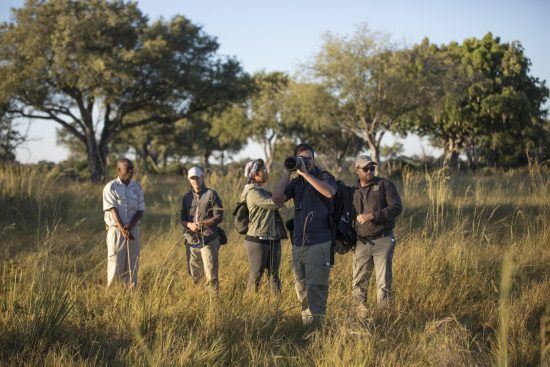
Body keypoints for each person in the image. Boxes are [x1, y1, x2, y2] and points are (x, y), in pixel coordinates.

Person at [272, 143, 337, 326]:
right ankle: (307, 325)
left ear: (314, 159)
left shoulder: (323, 176)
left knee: (316, 287)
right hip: (299, 242)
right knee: (300, 285)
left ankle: (317, 328)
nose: (305, 161)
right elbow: (276, 199)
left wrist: (306, 174)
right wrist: (287, 172)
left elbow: (329, 192)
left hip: (320, 241)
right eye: (302, 158)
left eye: (308, 158)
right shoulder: (295, 183)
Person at [352, 155, 403, 316]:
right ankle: (359, 315)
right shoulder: (352, 191)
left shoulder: (384, 184)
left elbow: (396, 207)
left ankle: (385, 316)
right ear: (357, 170)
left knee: (383, 283)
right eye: (365, 169)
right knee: (359, 281)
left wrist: (373, 216)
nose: (369, 171)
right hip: (361, 241)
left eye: (372, 168)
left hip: (383, 239)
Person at [241, 158, 287, 294]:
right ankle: (250, 306)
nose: (266, 173)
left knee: (274, 275)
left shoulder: (263, 191)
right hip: (257, 239)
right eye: (263, 171)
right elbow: (274, 203)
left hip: (273, 237)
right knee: (256, 274)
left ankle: (277, 306)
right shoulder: (253, 193)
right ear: (254, 175)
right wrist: (286, 182)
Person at [102, 158, 145, 288]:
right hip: (116, 230)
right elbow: (112, 210)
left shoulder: (136, 187)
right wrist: (123, 229)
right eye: (128, 169)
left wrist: (130, 227)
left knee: (133, 263)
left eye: (132, 169)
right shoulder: (111, 187)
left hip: (133, 230)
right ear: (119, 170)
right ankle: (113, 293)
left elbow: (140, 210)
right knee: (115, 263)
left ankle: (131, 293)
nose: (131, 172)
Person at [180, 167, 223, 291]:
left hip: (209, 239)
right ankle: (198, 302)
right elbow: (182, 219)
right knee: (194, 277)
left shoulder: (211, 194)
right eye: (192, 178)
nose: (195, 181)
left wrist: (204, 223)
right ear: (189, 180)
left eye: (197, 178)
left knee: (212, 277)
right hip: (191, 241)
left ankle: (213, 305)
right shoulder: (186, 197)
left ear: (202, 177)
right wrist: (190, 225)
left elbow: (219, 216)